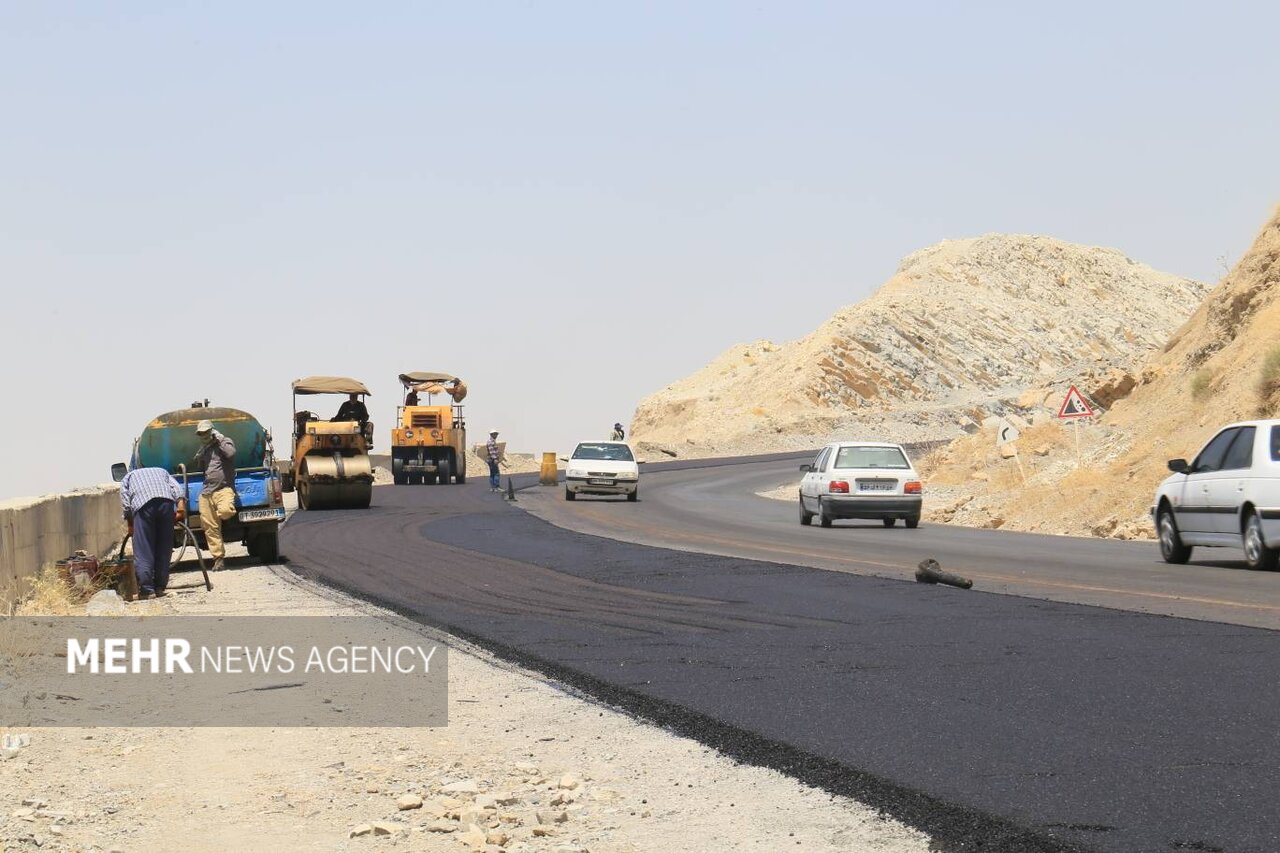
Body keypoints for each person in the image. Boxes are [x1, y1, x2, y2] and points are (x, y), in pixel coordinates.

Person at [119, 466, 185, 599]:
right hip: (166, 503)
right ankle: (159, 587)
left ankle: (147, 590)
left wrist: (131, 525)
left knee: (144, 549)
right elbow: (177, 489)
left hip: (144, 506)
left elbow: (126, 503)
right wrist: (180, 508)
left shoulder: (128, 477)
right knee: (164, 547)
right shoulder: (162, 471)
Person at [193, 419, 237, 572]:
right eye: (200, 433)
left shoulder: (225, 442)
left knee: (225, 511)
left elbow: (231, 454)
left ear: (212, 431)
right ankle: (218, 559)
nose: (203, 435)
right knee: (209, 527)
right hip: (207, 492)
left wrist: (219, 440)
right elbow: (202, 469)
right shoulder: (205, 448)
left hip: (223, 489)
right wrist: (200, 455)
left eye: (206, 432)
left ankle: (225, 521)